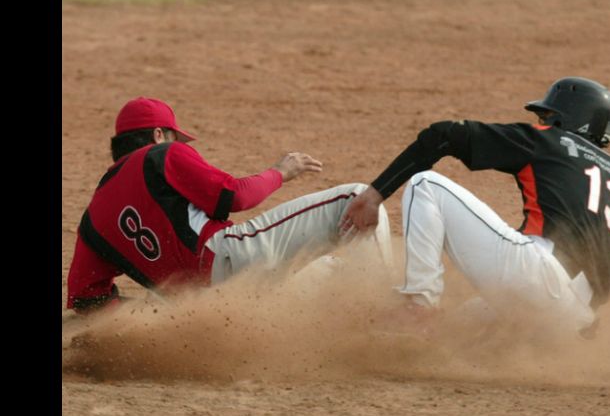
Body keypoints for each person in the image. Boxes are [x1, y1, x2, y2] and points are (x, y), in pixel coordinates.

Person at [340, 77, 610, 343]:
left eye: (548, 116)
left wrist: (374, 195)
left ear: (564, 122)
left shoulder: (551, 141)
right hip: (574, 324)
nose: (542, 122)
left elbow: (443, 135)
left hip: (538, 277)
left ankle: (418, 306)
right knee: (449, 339)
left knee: (425, 185)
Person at [67, 97, 392, 314]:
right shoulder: (160, 154)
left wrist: (150, 320)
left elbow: (85, 298)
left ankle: (350, 332)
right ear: (158, 134)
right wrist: (280, 172)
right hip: (233, 262)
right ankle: (392, 314)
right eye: (173, 136)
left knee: (331, 270)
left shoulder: (92, 219)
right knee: (358, 198)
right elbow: (235, 196)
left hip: (206, 311)